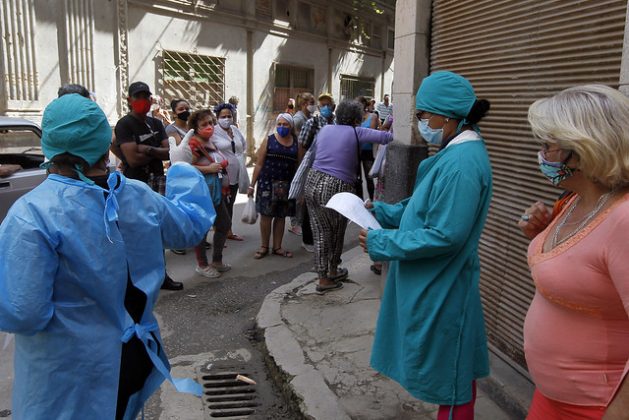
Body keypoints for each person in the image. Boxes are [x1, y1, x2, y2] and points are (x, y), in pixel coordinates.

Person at [0, 93, 214, 419]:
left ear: (50, 145)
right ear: (106, 144)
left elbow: (23, 313)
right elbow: (189, 228)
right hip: (131, 359)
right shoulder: (138, 195)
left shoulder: (32, 214)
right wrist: (185, 174)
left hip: (68, 379)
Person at [359, 71, 492, 419]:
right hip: (436, 283)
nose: (420, 123)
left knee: (451, 381)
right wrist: (385, 212)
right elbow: (423, 206)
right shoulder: (452, 153)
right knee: (454, 372)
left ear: (446, 115)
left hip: (443, 287)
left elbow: (446, 234)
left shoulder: (462, 164)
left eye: (423, 115)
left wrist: (382, 241)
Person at [521, 85, 629, 419]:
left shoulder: (625, 219)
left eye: (547, 146)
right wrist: (539, 234)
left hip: (595, 408)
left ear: (582, 149)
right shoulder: (574, 202)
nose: (541, 156)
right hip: (551, 397)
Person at [306, 100, 392, 294]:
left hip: (312, 181)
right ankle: (331, 272)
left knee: (320, 232)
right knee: (336, 232)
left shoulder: (325, 129)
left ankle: (324, 275)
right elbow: (387, 138)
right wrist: (391, 123)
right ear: (356, 119)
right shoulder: (356, 132)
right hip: (336, 185)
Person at [114, 81, 183, 290]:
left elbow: (169, 151)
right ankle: (136, 281)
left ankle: (162, 276)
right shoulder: (125, 124)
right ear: (129, 100)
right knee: (136, 234)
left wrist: (146, 149)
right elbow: (132, 160)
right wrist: (151, 152)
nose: (143, 101)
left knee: (156, 230)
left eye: (146, 97)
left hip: (157, 182)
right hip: (135, 185)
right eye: (138, 97)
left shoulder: (156, 124)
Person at [188, 109, 232, 278]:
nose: (209, 126)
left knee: (224, 224)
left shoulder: (209, 141)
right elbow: (185, 166)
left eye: (211, 123)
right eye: (204, 124)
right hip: (203, 194)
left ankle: (217, 261)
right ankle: (202, 265)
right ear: (196, 127)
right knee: (203, 229)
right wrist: (208, 169)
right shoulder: (194, 144)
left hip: (215, 193)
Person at [248, 113, 298, 259]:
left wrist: (299, 189)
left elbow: (298, 166)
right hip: (267, 183)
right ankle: (264, 246)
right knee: (266, 215)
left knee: (281, 216)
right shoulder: (269, 140)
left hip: (286, 185)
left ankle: (277, 247)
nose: (282, 127)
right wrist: (252, 185)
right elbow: (259, 164)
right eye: (279, 124)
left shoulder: (296, 143)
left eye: (285, 124)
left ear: (291, 126)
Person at [297, 92, 336, 253]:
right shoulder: (312, 123)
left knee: (326, 203)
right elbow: (302, 147)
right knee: (309, 203)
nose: (326, 108)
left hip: (332, 170)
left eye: (329, 104)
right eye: (323, 105)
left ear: (333, 106)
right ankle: (308, 239)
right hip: (314, 168)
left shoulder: (337, 123)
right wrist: (301, 171)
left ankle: (323, 236)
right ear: (319, 107)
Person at [213, 102, 248, 241]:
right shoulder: (213, 132)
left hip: (236, 173)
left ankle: (228, 231)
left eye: (229, 116)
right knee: (220, 205)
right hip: (221, 174)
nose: (227, 118)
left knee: (230, 202)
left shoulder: (235, 129)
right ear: (217, 117)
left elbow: (243, 145)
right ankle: (219, 234)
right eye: (223, 116)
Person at [289, 91, 316, 236]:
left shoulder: (310, 117)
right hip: (299, 159)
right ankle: (295, 222)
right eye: (312, 103)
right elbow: (298, 143)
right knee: (298, 192)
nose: (314, 105)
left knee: (305, 193)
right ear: (304, 104)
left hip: (308, 158)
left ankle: (302, 220)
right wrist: (300, 162)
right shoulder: (298, 119)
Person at [356, 95, 381, 200]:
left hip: (368, 151)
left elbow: (371, 134)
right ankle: (359, 201)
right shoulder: (355, 118)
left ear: (364, 105)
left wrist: (358, 135)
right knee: (357, 179)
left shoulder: (373, 116)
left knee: (369, 178)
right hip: (356, 151)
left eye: (359, 104)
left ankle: (371, 201)